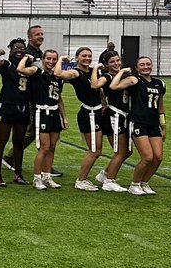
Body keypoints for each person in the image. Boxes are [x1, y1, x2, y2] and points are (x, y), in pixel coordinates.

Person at [111, 57, 165, 196]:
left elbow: (160, 106)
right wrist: (122, 70)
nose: (145, 66)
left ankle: (144, 182)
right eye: (142, 65)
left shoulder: (160, 84)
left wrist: (163, 125)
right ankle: (134, 184)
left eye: (148, 64)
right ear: (137, 68)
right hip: (138, 122)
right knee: (147, 157)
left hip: (153, 123)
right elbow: (113, 86)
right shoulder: (135, 80)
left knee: (158, 157)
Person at [17, 49, 65, 190]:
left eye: (54, 59)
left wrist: (65, 117)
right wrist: (26, 57)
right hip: (42, 112)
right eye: (48, 59)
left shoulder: (57, 77)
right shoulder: (37, 72)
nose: (51, 62)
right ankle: (37, 177)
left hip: (54, 113)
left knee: (52, 147)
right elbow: (20, 69)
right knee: (44, 148)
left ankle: (47, 176)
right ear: (43, 59)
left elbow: (59, 99)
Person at [62, 48, 108, 191]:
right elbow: (58, 73)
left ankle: (92, 177)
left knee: (97, 149)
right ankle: (81, 180)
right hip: (89, 113)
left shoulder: (93, 71)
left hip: (97, 112)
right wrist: (60, 61)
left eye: (89, 56)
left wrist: (104, 102)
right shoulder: (76, 72)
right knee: (94, 150)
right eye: (83, 56)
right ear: (77, 57)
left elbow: (99, 90)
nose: (87, 58)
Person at [0, 39, 29, 186]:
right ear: (10, 50)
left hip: (23, 107)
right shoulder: (6, 64)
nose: (19, 50)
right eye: (16, 47)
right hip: (6, 105)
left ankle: (18, 173)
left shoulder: (28, 66)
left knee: (19, 142)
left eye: (22, 48)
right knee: (1, 141)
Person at [97, 52, 132, 192]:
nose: (116, 64)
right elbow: (101, 87)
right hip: (114, 115)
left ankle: (105, 174)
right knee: (120, 151)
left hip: (124, 115)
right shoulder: (107, 77)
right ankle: (109, 181)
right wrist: (104, 103)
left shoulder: (124, 76)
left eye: (118, 61)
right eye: (112, 62)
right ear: (107, 65)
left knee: (127, 151)